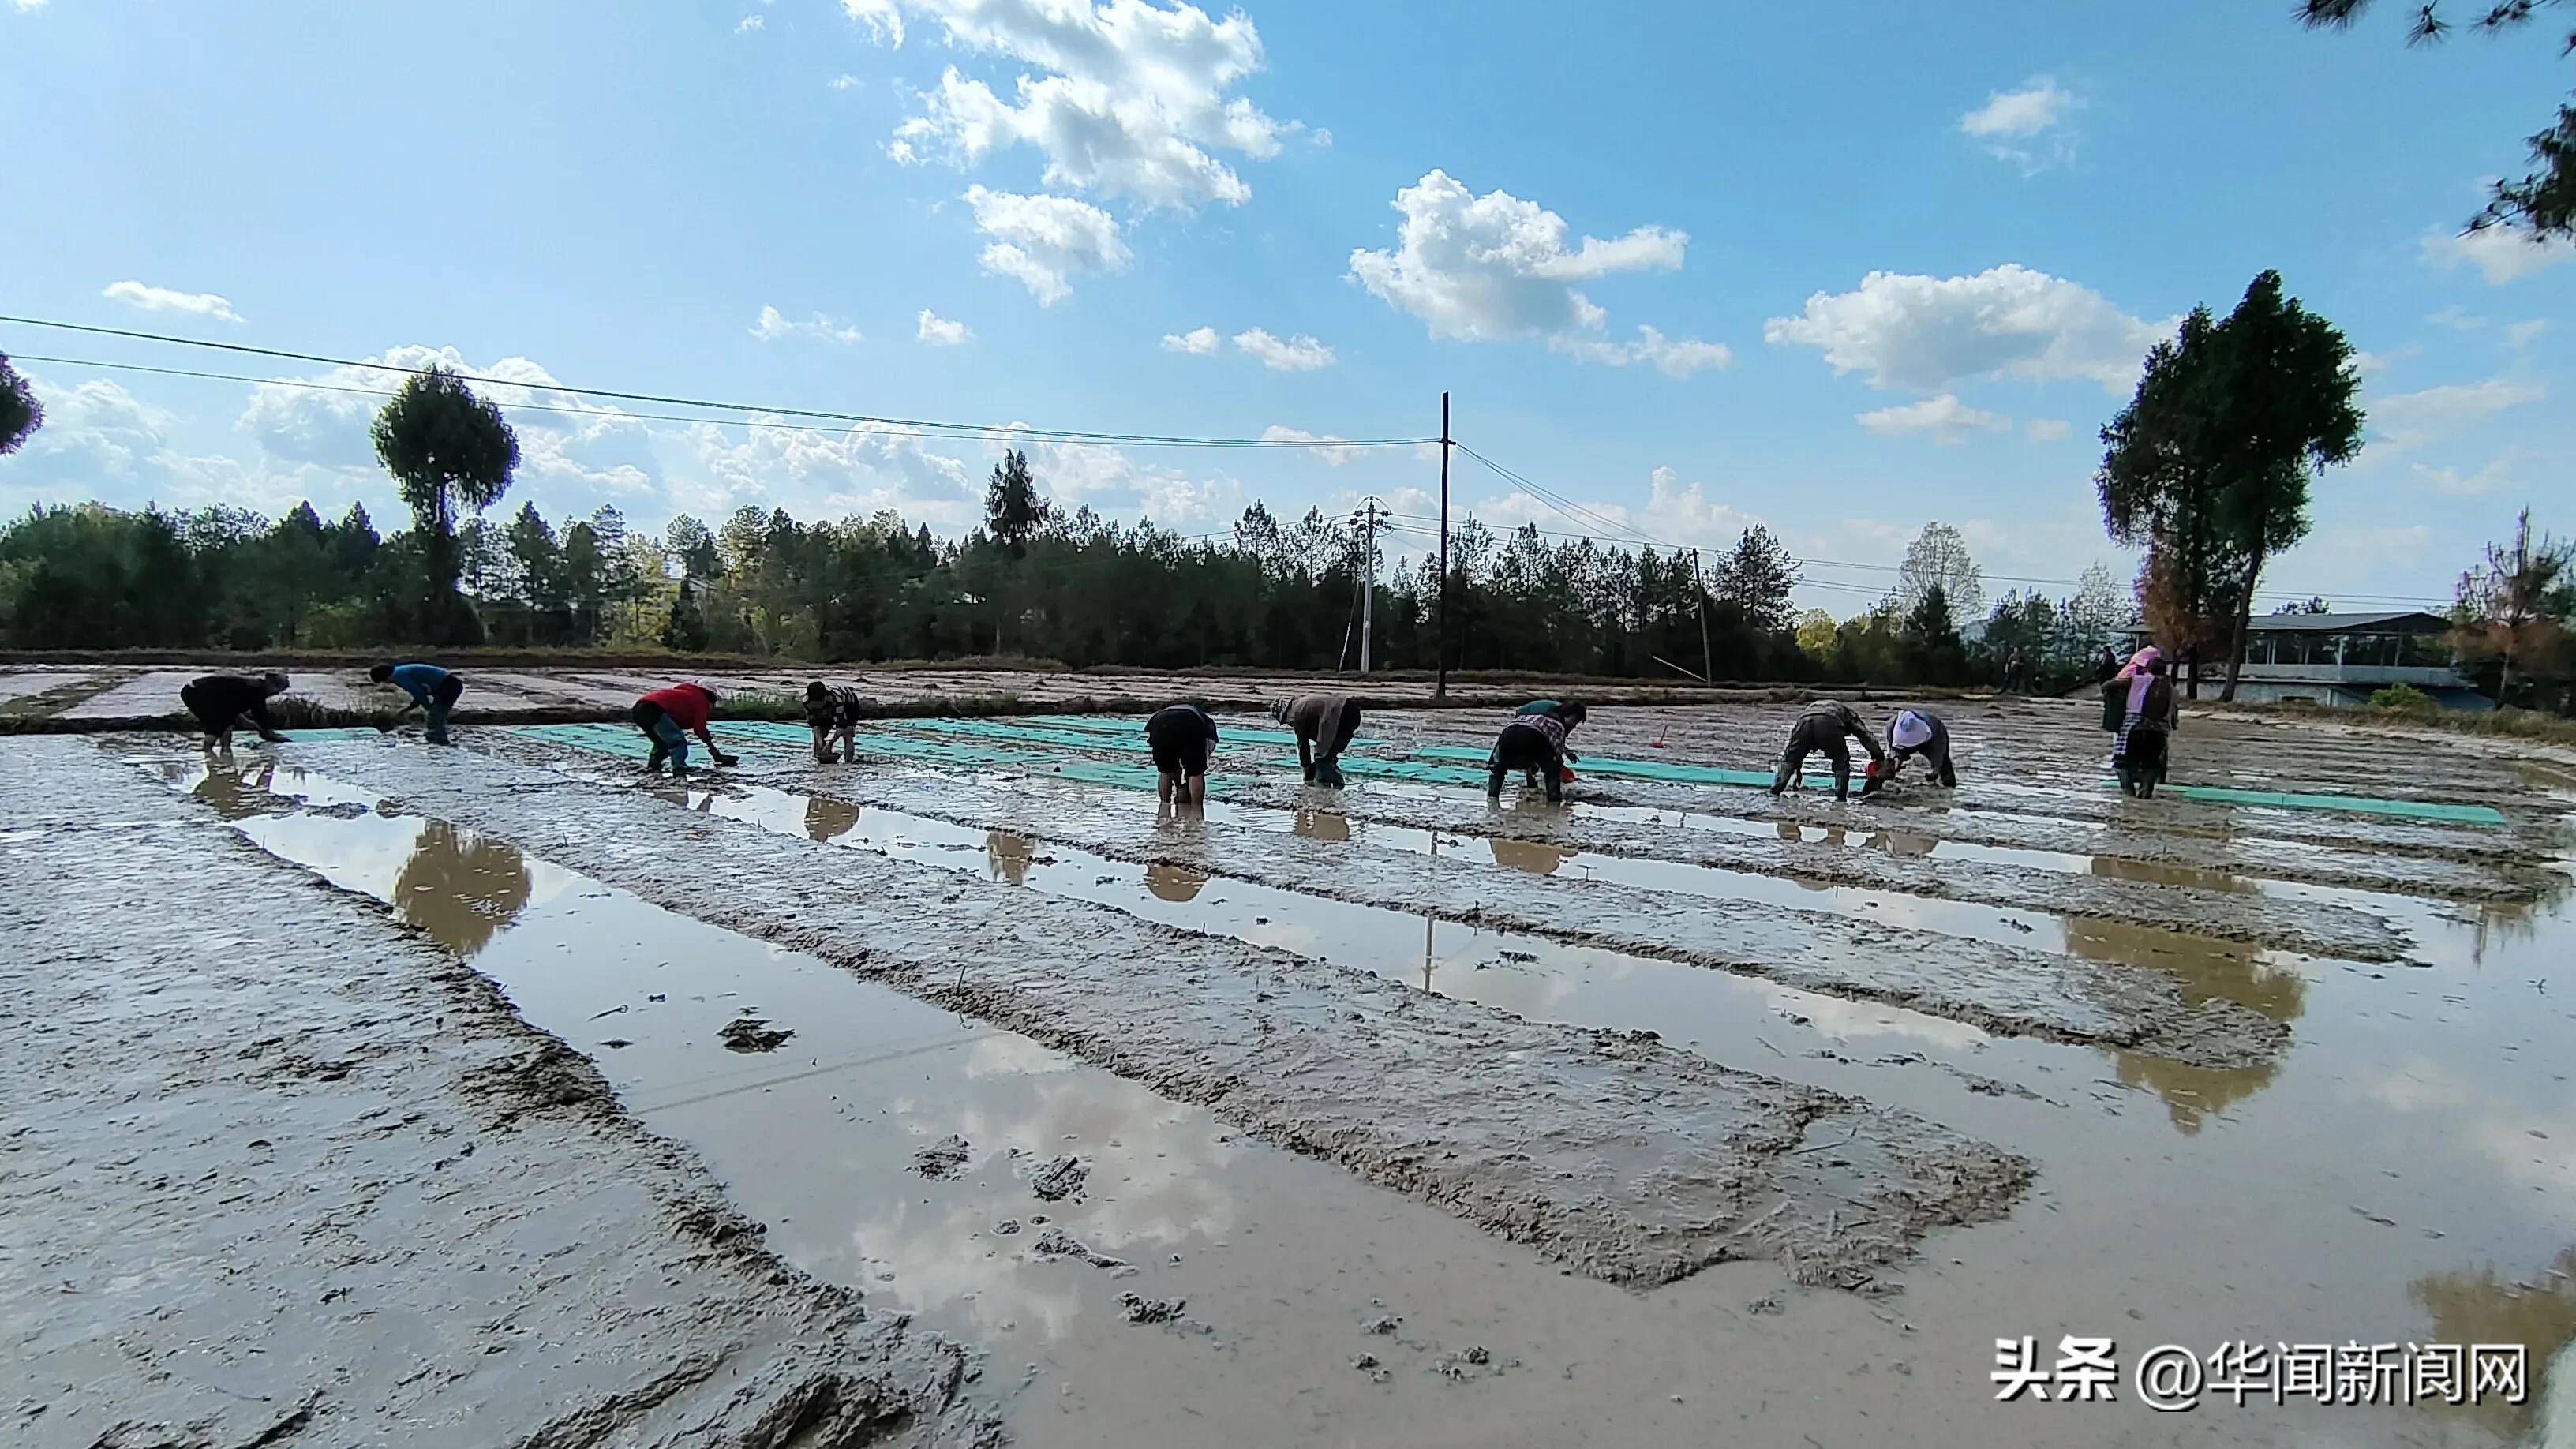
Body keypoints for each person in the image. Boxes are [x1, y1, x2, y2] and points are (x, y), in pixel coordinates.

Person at [1769, 698, 1887, 802]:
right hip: (1829, 722)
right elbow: (1865, 735)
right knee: (1841, 762)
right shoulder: (1848, 714)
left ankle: (1775, 792)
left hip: (1804, 721)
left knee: (1790, 760)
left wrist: (1797, 767)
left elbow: (1794, 750)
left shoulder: (1819, 708)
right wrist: (1879, 756)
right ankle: (1840, 799)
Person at [2103, 647, 2178, 798]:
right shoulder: (2172, 688)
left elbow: (2107, 686)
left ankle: (2129, 794)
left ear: (2147, 668)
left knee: (2120, 763)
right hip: (2158, 732)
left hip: (2133, 729)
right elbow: (2174, 715)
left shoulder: (2134, 680)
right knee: (2151, 765)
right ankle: (2145, 794)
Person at [631, 682, 738, 774]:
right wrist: (712, 747)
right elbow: (700, 729)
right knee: (678, 742)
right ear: (711, 696)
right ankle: (679, 768)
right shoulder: (701, 700)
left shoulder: (687, 695)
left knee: (661, 743)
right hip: (654, 709)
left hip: (638, 710)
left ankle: (653, 767)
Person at [179, 671, 290, 751]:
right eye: (278, 690)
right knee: (219, 726)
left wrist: (251, 724)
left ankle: (223, 749)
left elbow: (233, 708)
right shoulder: (256, 689)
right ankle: (212, 750)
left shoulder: (252, 687)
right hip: (195, 693)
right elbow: (260, 714)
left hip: (194, 691)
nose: (277, 694)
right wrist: (268, 733)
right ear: (271, 684)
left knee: (225, 723)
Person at [1274, 693, 1361, 788]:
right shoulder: (1300, 704)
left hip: (1338, 714)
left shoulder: (1295, 714)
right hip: (1350, 709)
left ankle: (1335, 785)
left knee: (1322, 758)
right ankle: (1331, 784)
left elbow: (1303, 745)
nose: (1289, 723)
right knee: (1329, 755)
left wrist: (1307, 769)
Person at [1487, 709, 1572, 803]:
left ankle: (1492, 797)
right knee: (1552, 771)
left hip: (1508, 734)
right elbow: (1556, 749)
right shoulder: (1558, 726)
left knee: (1498, 769)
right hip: (1533, 736)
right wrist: (1559, 764)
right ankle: (1554, 800)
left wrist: (1493, 763)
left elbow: (1497, 755)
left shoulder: (1526, 716)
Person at [1144, 702, 1220, 808]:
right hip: (1188, 720)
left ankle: (1164, 807)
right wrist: (1184, 783)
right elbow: (1198, 766)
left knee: (1165, 771)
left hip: (1159, 721)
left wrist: (1179, 785)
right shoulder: (1209, 729)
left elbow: (1173, 766)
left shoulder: (1204, 724)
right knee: (1196, 772)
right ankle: (1197, 810)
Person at [369, 661, 464, 745]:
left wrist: (428, 707)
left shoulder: (400, 676)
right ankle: (437, 740)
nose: (390, 683)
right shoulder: (401, 671)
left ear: (386, 677)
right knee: (435, 717)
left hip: (449, 685)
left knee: (434, 718)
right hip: (448, 684)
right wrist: (406, 710)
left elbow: (419, 693)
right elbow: (419, 697)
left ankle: (440, 744)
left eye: (385, 681)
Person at [1867, 707, 1956, 794]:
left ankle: (1949, 786)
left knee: (1943, 766)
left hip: (1932, 740)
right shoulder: (1891, 727)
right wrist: (1896, 758)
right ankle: (1879, 782)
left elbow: (1938, 757)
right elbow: (1892, 749)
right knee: (1891, 764)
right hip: (1899, 744)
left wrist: (1935, 770)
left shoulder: (1937, 734)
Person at [1512, 699, 1586, 786]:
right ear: (1573, 715)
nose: (1575, 725)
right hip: (1526, 721)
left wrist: (1565, 751)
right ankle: (1534, 784)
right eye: (1576, 721)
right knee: (1533, 754)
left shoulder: (1564, 717)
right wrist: (1558, 762)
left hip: (1522, 725)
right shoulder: (1554, 718)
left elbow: (1558, 740)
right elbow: (1554, 742)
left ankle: (1533, 783)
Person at [803, 681, 871, 764]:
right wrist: (821, 743)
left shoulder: (836, 700)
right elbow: (815, 726)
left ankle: (849, 762)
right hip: (830, 706)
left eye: (820, 702)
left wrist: (830, 744)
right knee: (818, 736)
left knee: (847, 733)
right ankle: (819, 758)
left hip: (849, 704)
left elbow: (841, 728)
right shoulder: (807, 702)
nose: (818, 706)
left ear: (826, 697)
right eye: (815, 703)